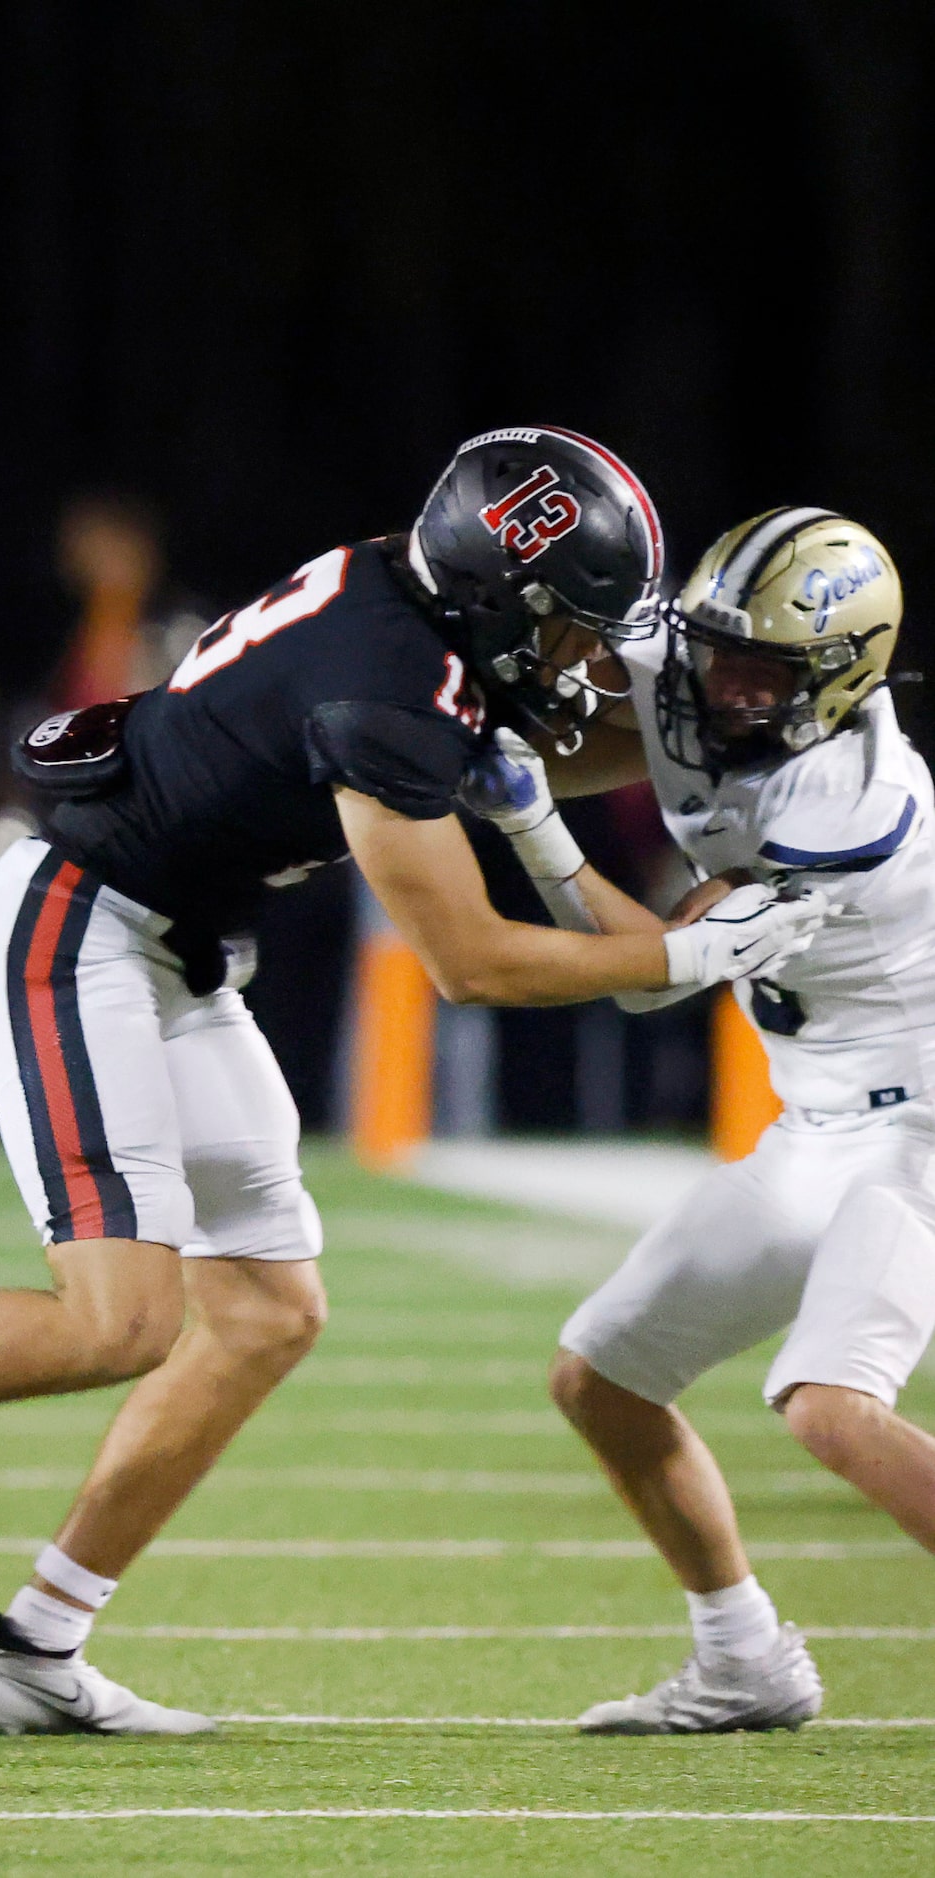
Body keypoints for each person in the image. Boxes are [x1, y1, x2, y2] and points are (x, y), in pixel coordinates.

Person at [0, 426, 831, 1734]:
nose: (586, 660)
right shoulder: (386, 681)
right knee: (119, 1320)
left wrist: (716, 749)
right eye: (569, 629)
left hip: (173, 947)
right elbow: (468, 959)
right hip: (75, 933)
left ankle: (35, 1647)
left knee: (263, 1311)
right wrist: (686, 946)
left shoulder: (419, 603)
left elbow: (538, 732)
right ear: (500, 601)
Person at [472, 508, 932, 1733]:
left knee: (830, 1407)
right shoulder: (695, 664)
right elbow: (577, 694)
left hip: (920, 1133)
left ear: (838, 681)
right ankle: (745, 1661)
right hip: (819, 1121)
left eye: (761, 671)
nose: (722, 685)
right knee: (601, 1381)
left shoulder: (850, 800)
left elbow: (646, 971)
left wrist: (525, 820)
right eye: (714, 650)